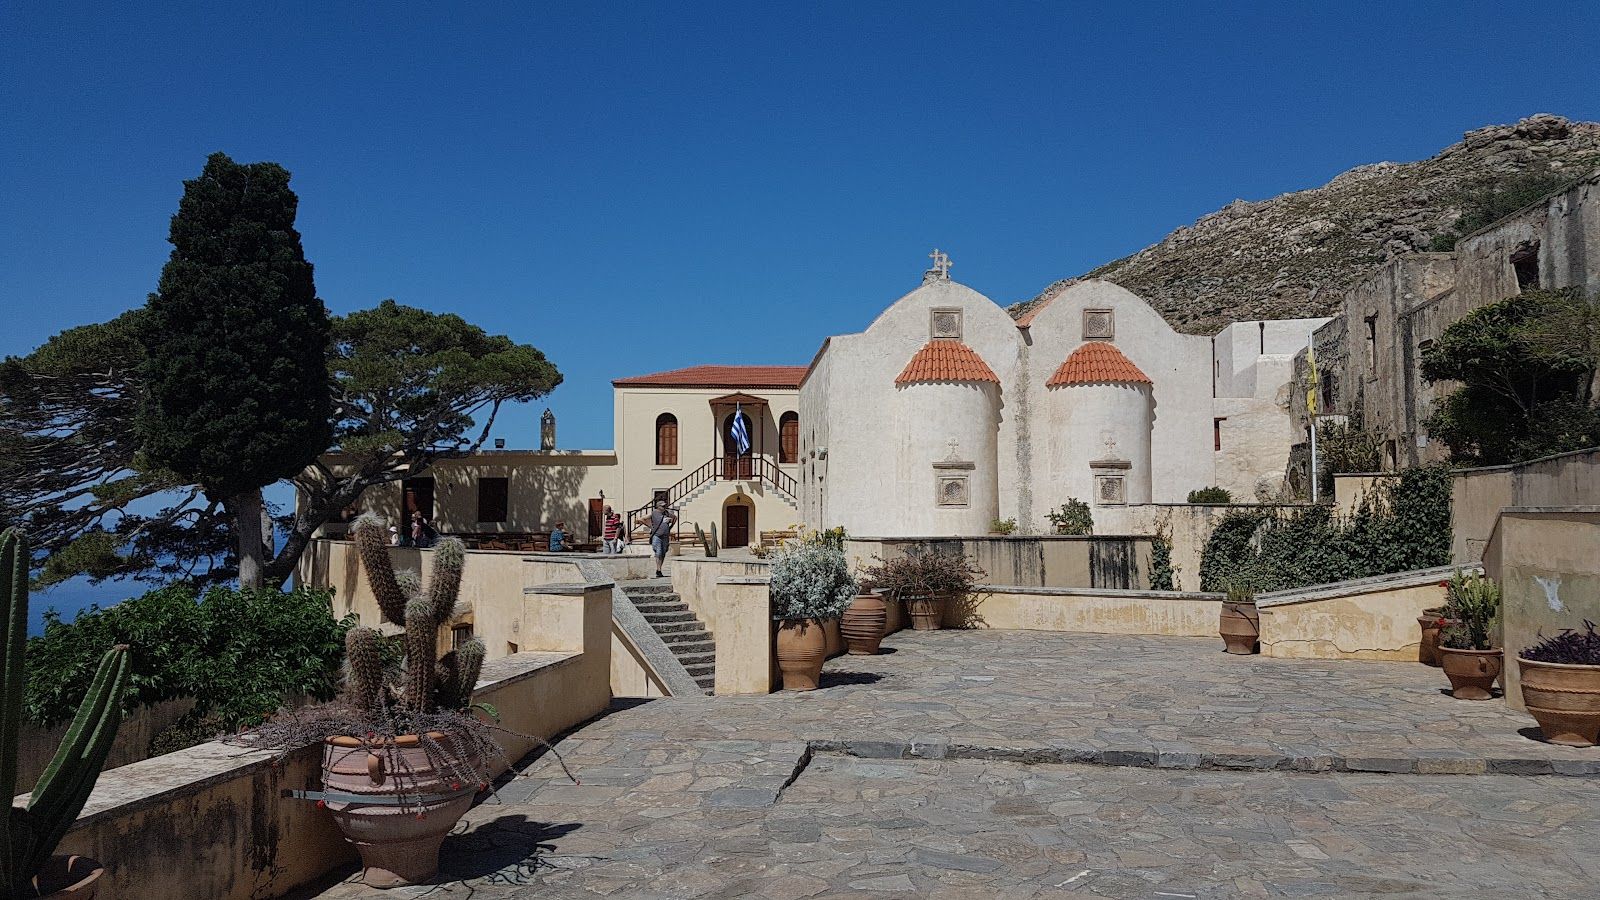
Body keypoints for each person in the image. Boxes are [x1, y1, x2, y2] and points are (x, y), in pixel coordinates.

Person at [635, 498, 677, 577]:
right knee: (658, 552)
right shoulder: (654, 513)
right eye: (663, 506)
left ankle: (659, 569)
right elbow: (642, 519)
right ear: (658, 507)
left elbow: (675, 518)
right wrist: (650, 526)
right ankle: (658, 569)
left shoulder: (667, 513)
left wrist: (671, 525)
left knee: (663, 553)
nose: (664, 507)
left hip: (665, 536)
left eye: (665, 505)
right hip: (657, 535)